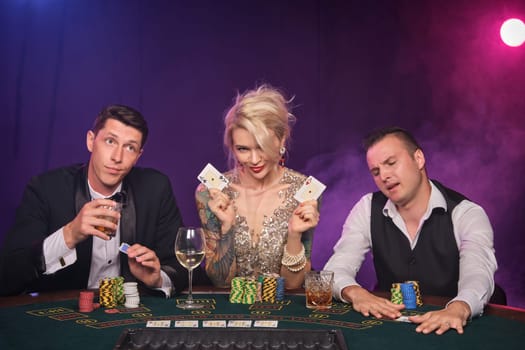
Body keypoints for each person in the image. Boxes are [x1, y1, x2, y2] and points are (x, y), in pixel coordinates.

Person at [0, 104, 207, 296]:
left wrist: (157, 278)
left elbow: (183, 267)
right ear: (91, 141)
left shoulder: (156, 188)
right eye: (110, 141)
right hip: (64, 317)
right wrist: (69, 234)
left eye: (130, 147)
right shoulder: (45, 189)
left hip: (131, 313)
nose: (117, 157)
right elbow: (9, 274)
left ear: (138, 155)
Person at [324, 126, 497, 335]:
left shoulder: (466, 213)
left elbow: (478, 274)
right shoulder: (367, 208)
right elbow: (334, 271)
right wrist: (356, 293)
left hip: (449, 328)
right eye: (376, 171)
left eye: (391, 163)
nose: (384, 176)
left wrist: (459, 308)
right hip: (389, 326)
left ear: (419, 159)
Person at [195, 85, 320, 289]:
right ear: (232, 147)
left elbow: (291, 285)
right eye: (243, 149)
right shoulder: (210, 192)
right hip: (231, 311)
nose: (254, 160)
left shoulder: (304, 191)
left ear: (281, 140)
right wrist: (227, 228)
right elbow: (221, 282)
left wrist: (295, 235)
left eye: (262, 147)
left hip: (283, 311)